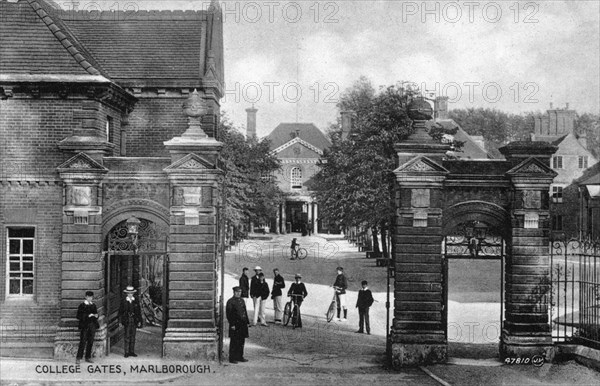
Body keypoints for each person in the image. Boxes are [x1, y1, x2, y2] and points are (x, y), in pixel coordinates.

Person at [226, 286, 249, 364]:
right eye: (237, 292)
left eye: (240, 292)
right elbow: (229, 314)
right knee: (234, 341)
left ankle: (240, 356)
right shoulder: (230, 302)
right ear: (234, 292)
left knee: (241, 341)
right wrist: (232, 324)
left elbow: (244, 312)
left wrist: (247, 322)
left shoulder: (242, 301)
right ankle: (232, 358)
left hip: (242, 324)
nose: (238, 293)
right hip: (235, 325)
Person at [119, 285, 143, 358]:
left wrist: (139, 320)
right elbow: (120, 312)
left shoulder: (135, 300)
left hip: (134, 319)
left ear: (133, 293)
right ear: (127, 294)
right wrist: (120, 322)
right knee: (127, 336)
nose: (130, 294)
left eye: (131, 293)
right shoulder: (123, 301)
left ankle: (131, 351)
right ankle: (126, 352)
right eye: (128, 293)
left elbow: (139, 311)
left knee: (133, 336)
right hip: (127, 320)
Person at [76, 290, 99, 364]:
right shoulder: (82, 305)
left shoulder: (93, 305)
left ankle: (88, 357)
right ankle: (78, 358)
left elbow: (96, 314)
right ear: (85, 297)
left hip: (92, 325)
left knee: (90, 341)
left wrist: (96, 316)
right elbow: (78, 316)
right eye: (88, 297)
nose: (90, 299)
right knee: (83, 341)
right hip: (85, 326)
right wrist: (87, 316)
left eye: (91, 297)